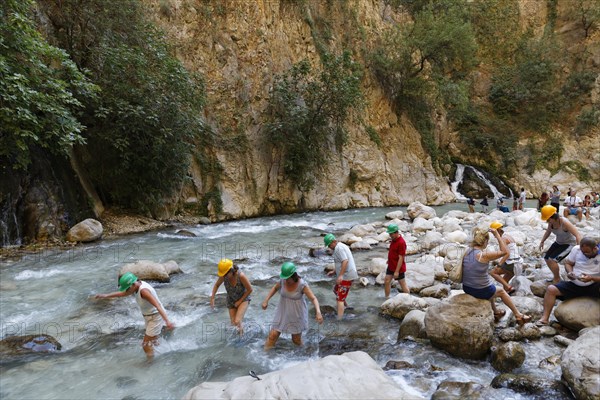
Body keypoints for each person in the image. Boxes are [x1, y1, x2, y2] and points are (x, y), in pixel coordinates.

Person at [462, 226, 531, 325]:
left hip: (467, 287)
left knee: (491, 286)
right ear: (485, 241)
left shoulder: (467, 251)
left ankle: (496, 312)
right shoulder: (484, 255)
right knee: (501, 291)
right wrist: (497, 236)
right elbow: (505, 252)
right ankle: (518, 315)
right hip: (478, 290)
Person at [95, 272, 174, 358]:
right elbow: (123, 294)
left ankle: (150, 363)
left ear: (133, 284)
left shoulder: (144, 291)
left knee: (145, 344)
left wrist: (167, 321)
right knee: (153, 341)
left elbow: (158, 305)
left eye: (127, 288)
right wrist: (106, 296)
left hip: (155, 317)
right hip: (149, 316)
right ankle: (164, 354)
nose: (127, 291)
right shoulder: (136, 285)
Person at [536, 237, 600, 326]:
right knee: (551, 289)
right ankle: (545, 318)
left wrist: (592, 278)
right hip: (575, 285)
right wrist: (570, 272)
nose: (584, 254)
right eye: (583, 252)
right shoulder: (576, 249)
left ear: (595, 248)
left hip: (594, 285)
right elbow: (568, 263)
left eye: (587, 252)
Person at [262, 262, 323, 349]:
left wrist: (318, 312)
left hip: (297, 314)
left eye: (288, 278)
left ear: (293, 276)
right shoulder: (283, 280)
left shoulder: (302, 285)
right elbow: (275, 288)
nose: (286, 280)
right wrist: (266, 300)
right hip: (282, 312)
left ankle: (305, 354)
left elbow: (313, 298)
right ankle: (265, 357)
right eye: (285, 278)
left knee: (296, 340)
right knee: (272, 336)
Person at [539, 205, 582, 284]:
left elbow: (577, 235)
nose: (547, 221)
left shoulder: (564, 223)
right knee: (546, 258)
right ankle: (556, 277)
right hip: (558, 242)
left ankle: (557, 279)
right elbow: (548, 232)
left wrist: (578, 249)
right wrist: (542, 241)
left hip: (569, 244)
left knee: (552, 260)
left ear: (553, 217)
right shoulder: (551, 223)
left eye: (548, 219)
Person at [210, 258, 253, 335]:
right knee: (233, 324)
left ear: (231, 270)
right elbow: (216, 285)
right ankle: (239, 337)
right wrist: (212, 297)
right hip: (231, 300)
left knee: (237, 321)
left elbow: (250, 289)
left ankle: (242, 340)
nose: (224, 276)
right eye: (223, 274)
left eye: (226, 274)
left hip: (243, 299)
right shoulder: (224, 276)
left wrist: (239, 301)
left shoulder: (241, 276)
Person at [324, 233, 359, 320]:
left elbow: (345, 261)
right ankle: (346, 307)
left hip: (347, 275)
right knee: (336, 290)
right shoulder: (339, 247)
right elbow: (340, 262)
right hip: (345, 274)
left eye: (329, 245)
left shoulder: (339, 248)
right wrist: (334, 271)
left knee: (339, 299)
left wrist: (340, 275)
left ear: (333, 242)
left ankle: (339, 320)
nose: (329, 247)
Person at [489, 221, 522, 294]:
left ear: (497, 231)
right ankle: (507, 294)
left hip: (512, 263)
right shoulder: (507, 236)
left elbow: (506, 253)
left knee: (493, 272)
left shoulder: (503, 239)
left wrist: (499, 264)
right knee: (504, 280)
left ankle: (509, 288)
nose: (493, 235)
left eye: (493, 233)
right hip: (518, 262)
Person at [384, 224, 410, 298]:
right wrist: (389, 260)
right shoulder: (393, 240)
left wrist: (397, 271)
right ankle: (387, 298)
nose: (390, 235)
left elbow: (401, 257)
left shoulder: (401, 242)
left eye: (391, 234)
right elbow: (392, 251)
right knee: (387, 281)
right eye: (389, 234)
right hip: (391, 265)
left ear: (396, 232)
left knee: (402, 284)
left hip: (398, 267)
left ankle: (409, 298)